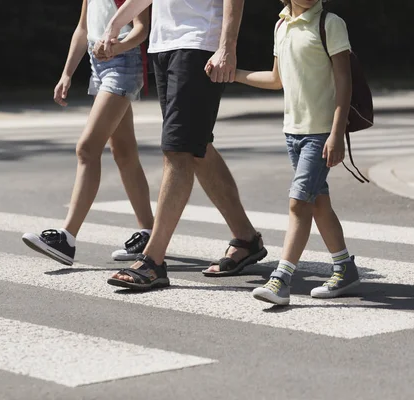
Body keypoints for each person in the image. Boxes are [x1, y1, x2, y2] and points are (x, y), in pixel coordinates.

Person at [97, 0, 268, 291]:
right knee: (196, 147)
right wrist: (114, 25)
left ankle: (153, 260)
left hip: (199, 44)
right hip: (164, 45)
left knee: (179, 151)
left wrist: (227, 46)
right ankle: (246, 239)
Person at [234, 0, 360, 305]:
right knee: (318, 203)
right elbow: (276, 79)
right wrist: (233, 74)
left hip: (319, 134)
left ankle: (281, 279)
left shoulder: (329, 24)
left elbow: (344, 80)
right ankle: (344, 268)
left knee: (298, 203)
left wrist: (336, 134)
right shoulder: (282, 25)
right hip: (293, 133)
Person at [22, 0, 155, 266]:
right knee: (124, 152)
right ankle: (150, 233)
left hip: (123, 63)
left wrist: (116, 46)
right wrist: (66, 74)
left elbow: (142, 29)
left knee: (87, 148)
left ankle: (67, 239)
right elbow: (82, 29)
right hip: (100, 65)